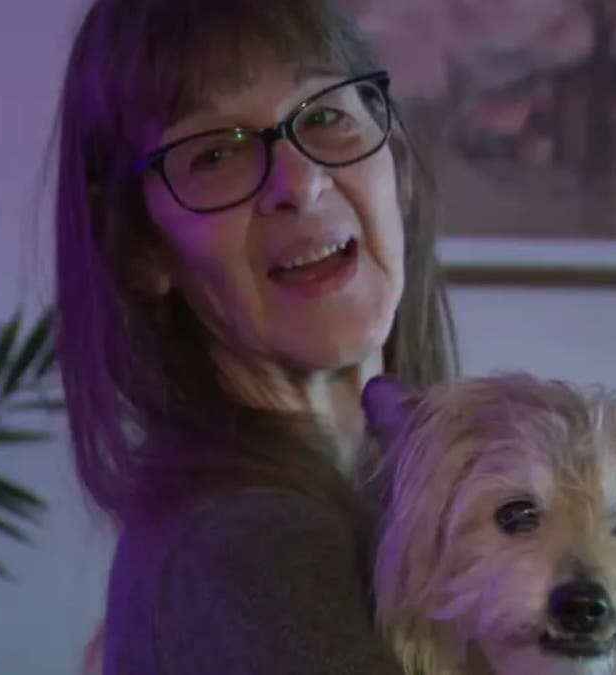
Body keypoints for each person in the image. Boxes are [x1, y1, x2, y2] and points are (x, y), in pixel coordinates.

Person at [51, 0, 459, 672]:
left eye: (325, 114)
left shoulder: (405, 504)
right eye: (215, 154)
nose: (299, 183)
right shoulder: (247, 545)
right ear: (141, 250)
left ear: (400, 164)